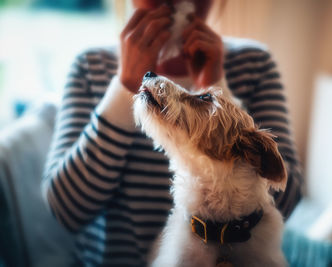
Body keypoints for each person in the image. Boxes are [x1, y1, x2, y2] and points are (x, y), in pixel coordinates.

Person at [42, 0, 303, 265]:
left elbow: (287, 196)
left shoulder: (255, 64)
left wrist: (216, 90)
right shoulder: (90, 66)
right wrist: (126, 88)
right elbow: (66, 210)